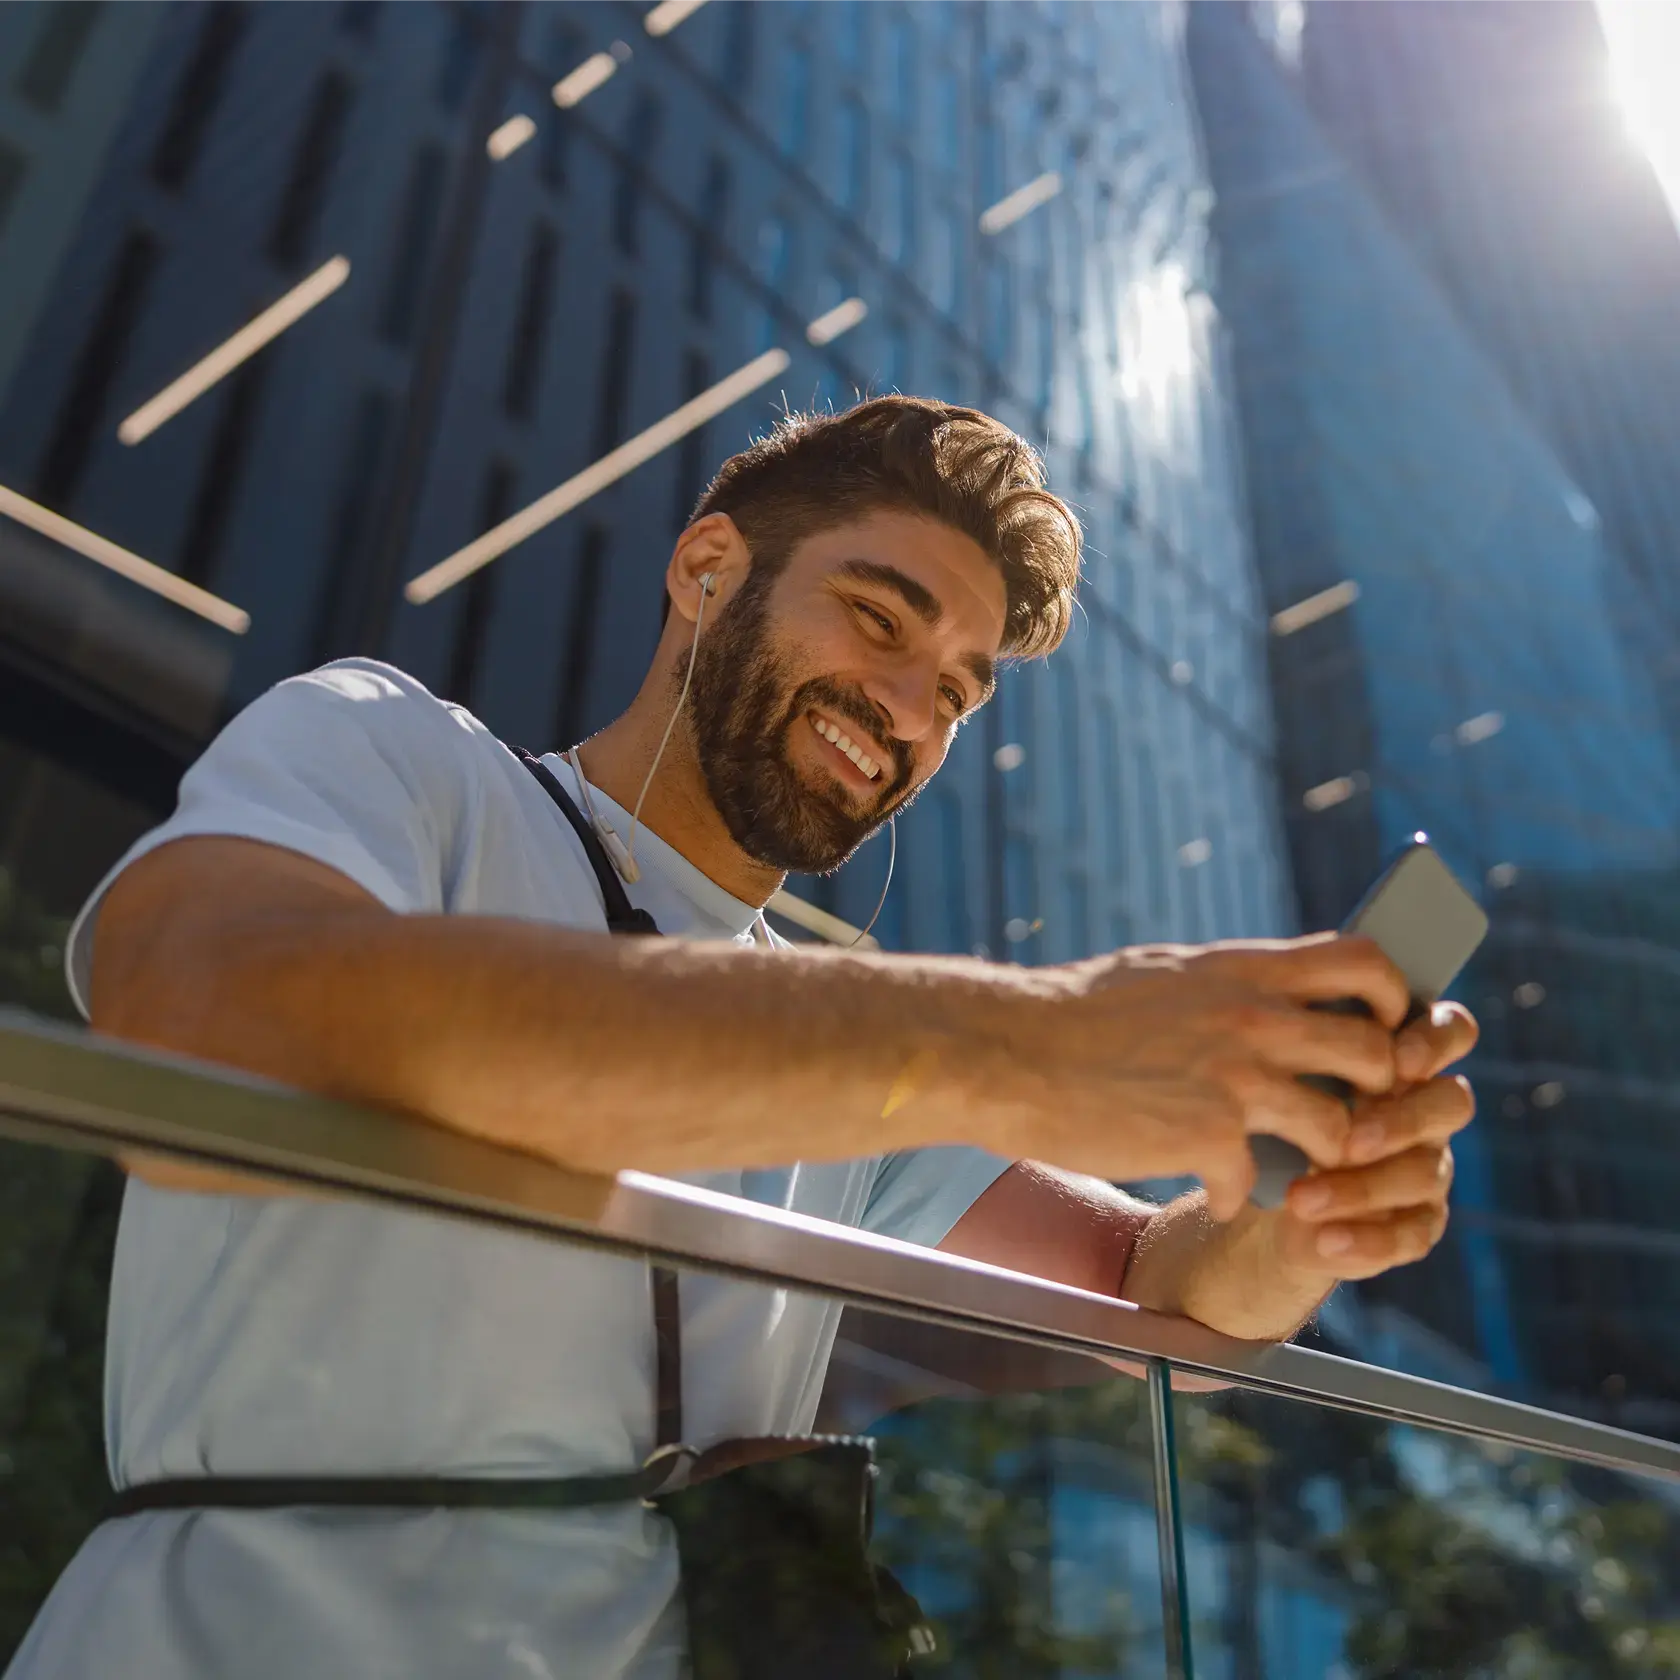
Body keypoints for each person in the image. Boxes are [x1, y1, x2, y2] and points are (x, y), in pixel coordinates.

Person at [7, 397, 1475, 1679]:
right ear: (709, 567)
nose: (908, 711)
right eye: (882, 619)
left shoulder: (854, 1042)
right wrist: (1022, 1042)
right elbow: (203, 1017)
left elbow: (1156, 1296)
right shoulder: (394, 755)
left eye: (956, 693)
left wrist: (1306, 1220)